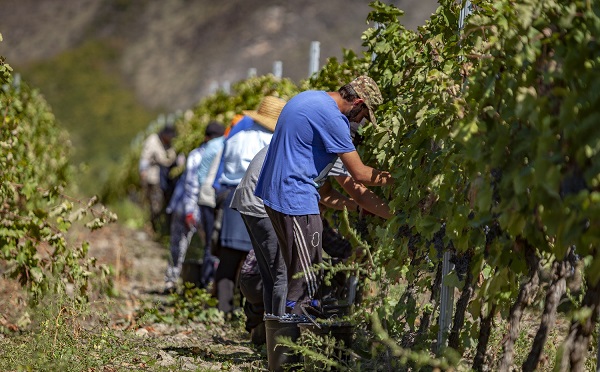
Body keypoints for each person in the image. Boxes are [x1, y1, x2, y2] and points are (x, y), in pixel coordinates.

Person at [232, 121, 391, 342]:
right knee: (284, 275)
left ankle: (273, 343)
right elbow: (358, 190)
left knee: (274, 277)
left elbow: (325, 194)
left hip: (251, 195)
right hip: (265, 199)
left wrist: (357, 208)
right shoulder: (329, 148)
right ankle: (284, 345)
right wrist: (392, 213)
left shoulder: (307, 138)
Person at [255, 75, 393, 315]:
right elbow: (359, 174)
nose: (362, 123)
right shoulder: (333, 119)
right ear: (358, 102)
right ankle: (294, 343)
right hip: (295, 199)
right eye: (364, 115)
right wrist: (397, 179)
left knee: (298, 272)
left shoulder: (311, 98)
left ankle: (285, 340)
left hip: (276, 193)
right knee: (306, 279)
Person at [212, 96, 287, 315]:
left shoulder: (236, 137)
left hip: (232, 196)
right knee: (257, 259)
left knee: (228, 255)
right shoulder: (270, 139)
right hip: (258, 197)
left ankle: (224, 309)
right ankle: (254, 314)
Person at [163, 121, 225, 293]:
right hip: (187, 207)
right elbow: (191, 185)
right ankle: (173, 281)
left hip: (199, 207)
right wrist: (190, 210)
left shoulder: (203, 154)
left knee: (197, 247)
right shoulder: (198, 156)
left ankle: (190, 282)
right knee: (180, 244)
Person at [139, 125, 178, 234]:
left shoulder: (169, 144)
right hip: (154, 177)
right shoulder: (153, 141)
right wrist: (143, 173)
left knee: (162, 203)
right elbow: (144, 159)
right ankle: (155, 227)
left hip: (166, 178)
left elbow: (171, 158)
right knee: (156, 204)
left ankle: (159, 228)